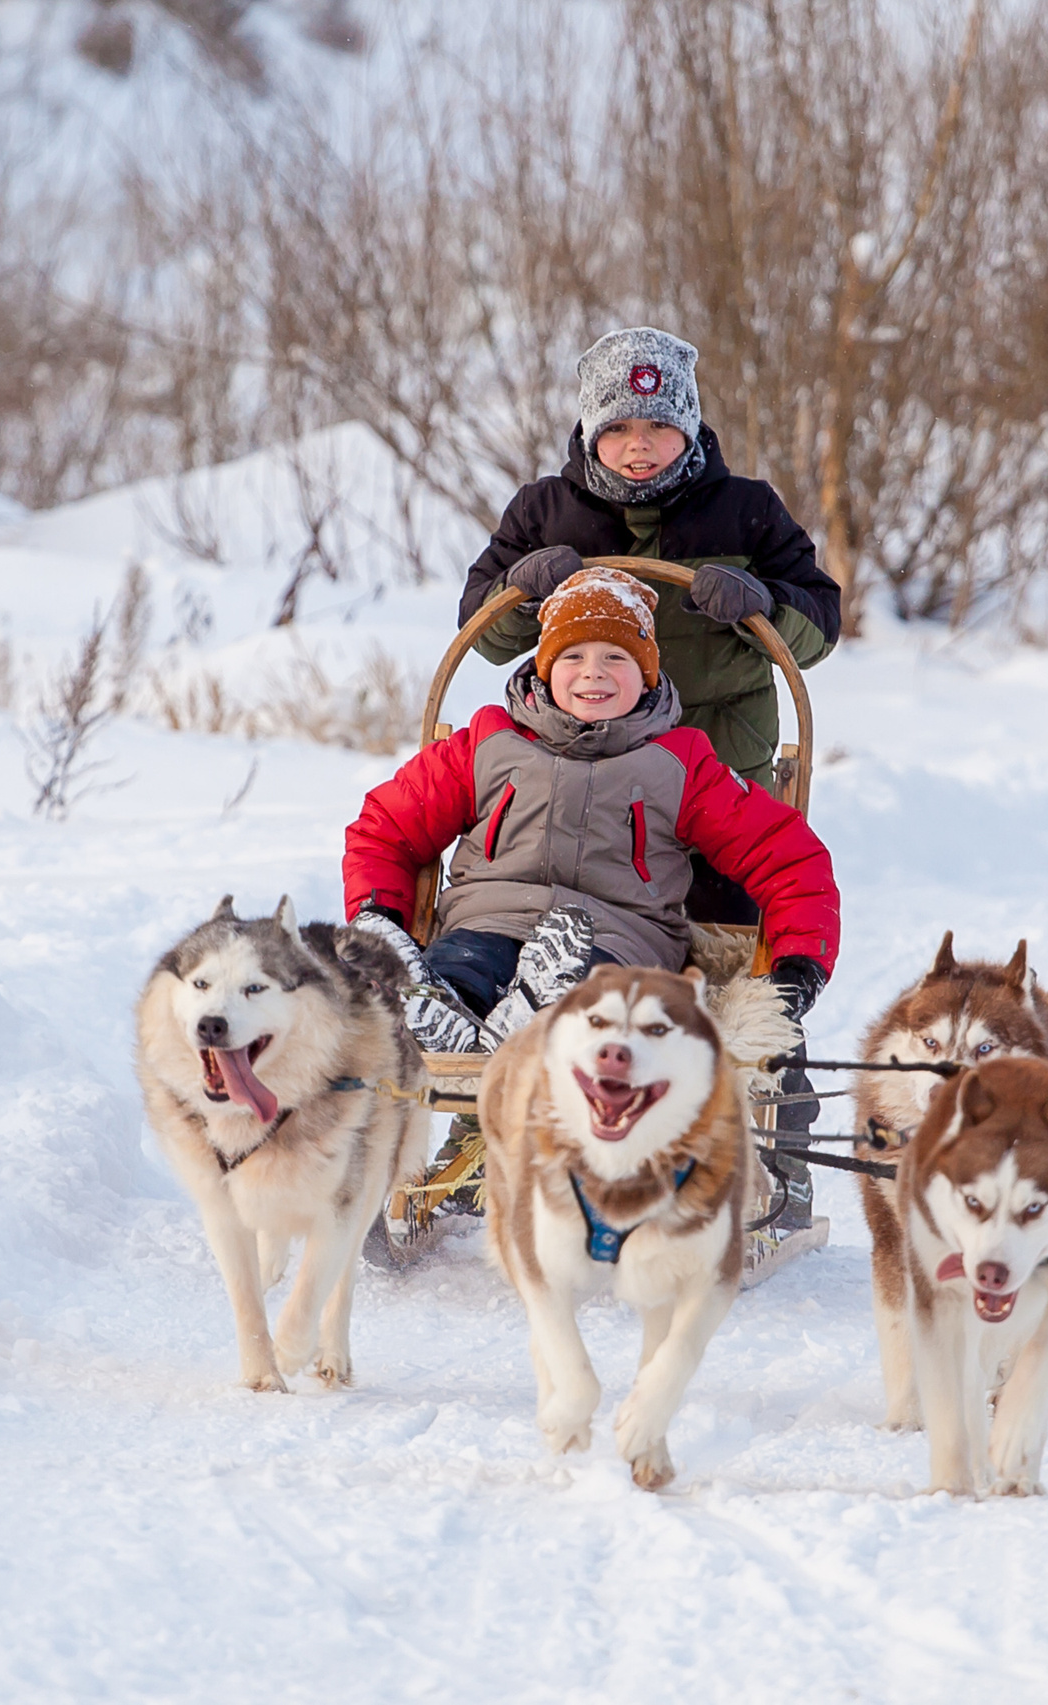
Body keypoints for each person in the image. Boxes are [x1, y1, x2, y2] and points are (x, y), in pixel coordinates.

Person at [453, 326, 840, 1225]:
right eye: (620, 428)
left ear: (690, 431)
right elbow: (478, 624)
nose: (638, 446)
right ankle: (480, 1123)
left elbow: (818, 623)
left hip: (712, 781)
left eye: (658, 430)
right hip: (576, 782)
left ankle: (774, 1147)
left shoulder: (745, 511)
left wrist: (767, 602)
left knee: (739, 966)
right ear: (591, 432)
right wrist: (524, 584)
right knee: (515, 932)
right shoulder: (546, 510)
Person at [343, 566, 836, 1063]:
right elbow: (386, 827)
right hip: (485, 923)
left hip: (617, 941)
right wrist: (379, 910)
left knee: (594, 1001)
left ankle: (541, 1017)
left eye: (615, 657)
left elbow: (786, 855)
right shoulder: (489, 745)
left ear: (645, 674)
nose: (592, 672)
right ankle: (441, 1009)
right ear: (545, 668)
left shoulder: (679, 764)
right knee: (463, 971)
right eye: (572, 656)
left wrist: (799, 965)